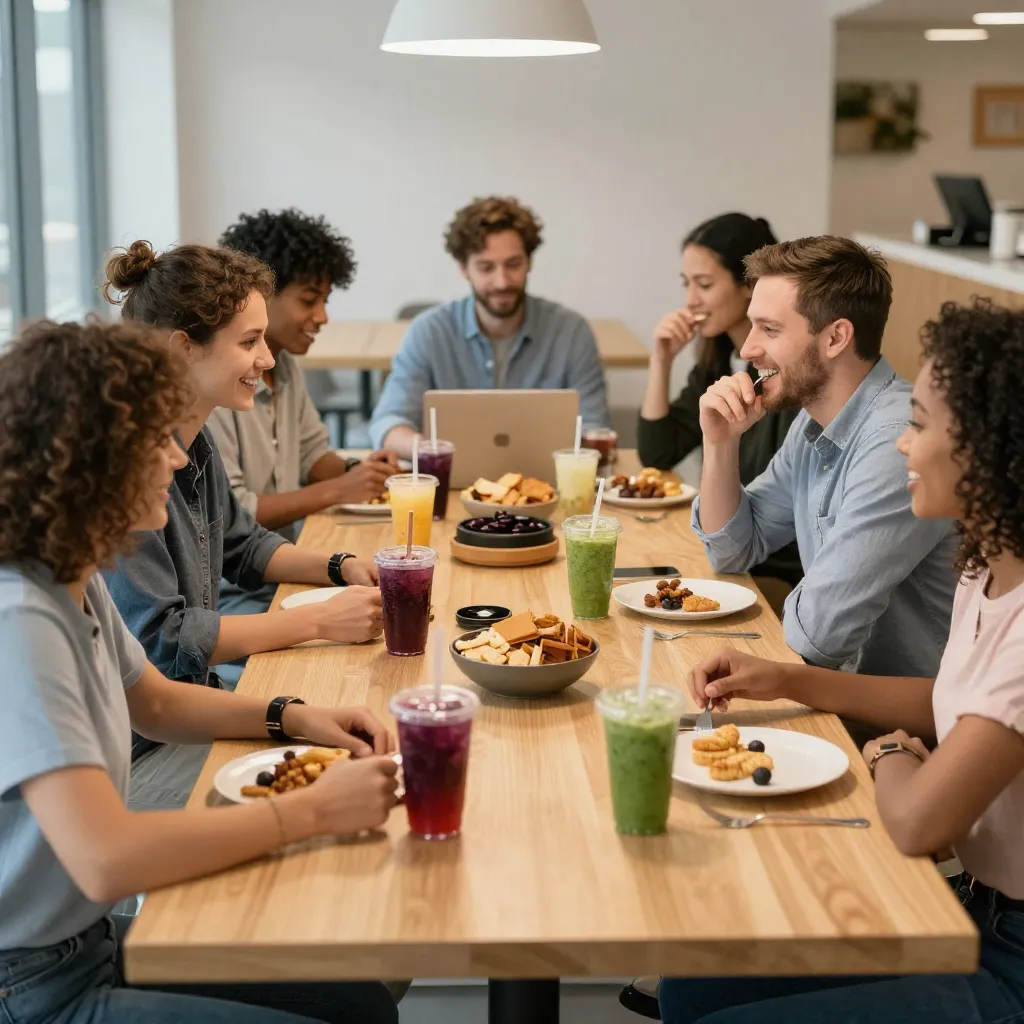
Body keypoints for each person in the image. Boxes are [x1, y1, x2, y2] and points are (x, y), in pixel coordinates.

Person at [0, 318, 401, 1024]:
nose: (178, 461)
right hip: (30, 986)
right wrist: (309, 812)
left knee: (360, 1003)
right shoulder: (20, 621)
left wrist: (291, 714)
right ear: (90, 462)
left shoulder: (72, 572)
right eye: (156, 441)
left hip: (80, 944)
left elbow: (152, 701)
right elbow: (106, 860)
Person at [660, 298, 1024, 1023]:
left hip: (1012, 959)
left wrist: (889, 751)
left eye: (919, 425)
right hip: (977, 909)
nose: (900, 446)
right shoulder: (987, 569)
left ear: (988, 449)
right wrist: (791, 679)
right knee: (690, 984)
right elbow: (956, 702)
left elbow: (918, 822)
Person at [101, 241, 383, 808]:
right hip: (141, 755)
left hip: (182, 714)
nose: (269, 359)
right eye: (249, 342)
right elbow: (168, 642)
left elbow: (241, 543)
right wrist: (321, 622)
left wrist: (342, 565)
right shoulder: (129, 473)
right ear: (184, 348)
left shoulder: (193, 438)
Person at [692, 235, 957, 677]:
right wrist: (720, 443)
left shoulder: (895, 444)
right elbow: (733, 550)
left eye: (770, 330)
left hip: (907, 727)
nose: (747, 349)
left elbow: (818, 635)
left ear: (836, 337)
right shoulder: (816, 420)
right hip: (840, 695)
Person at [209, 209, 398, 640]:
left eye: (326, 300)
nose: (323, 316)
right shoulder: (218, 394)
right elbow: (240, 519)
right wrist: (339, 491)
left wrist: (365, 473)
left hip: (280, 565)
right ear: (259, 295)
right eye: (309, 299)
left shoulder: (285, 367)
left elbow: (314, 455)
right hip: (239, 594)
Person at [638, 213, 802, 607]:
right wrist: (660, 360)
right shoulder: (721, 362)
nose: (691, 299)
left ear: (749, 286)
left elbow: (771, 512)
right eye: (687, 284)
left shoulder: (783, 379)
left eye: (705, 284)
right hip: (730, 553)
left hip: (765, 569)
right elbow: (658, 452)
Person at [368, 195, 611, 457]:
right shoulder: (429, 331)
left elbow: (593, 426)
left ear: (530, 262)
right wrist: (432, 450)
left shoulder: (571, 331)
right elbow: (388, 424)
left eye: (513, 264)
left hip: (546, 487)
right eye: (486, 267)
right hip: (452, 484)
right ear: (464, 268)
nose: (502, 281)